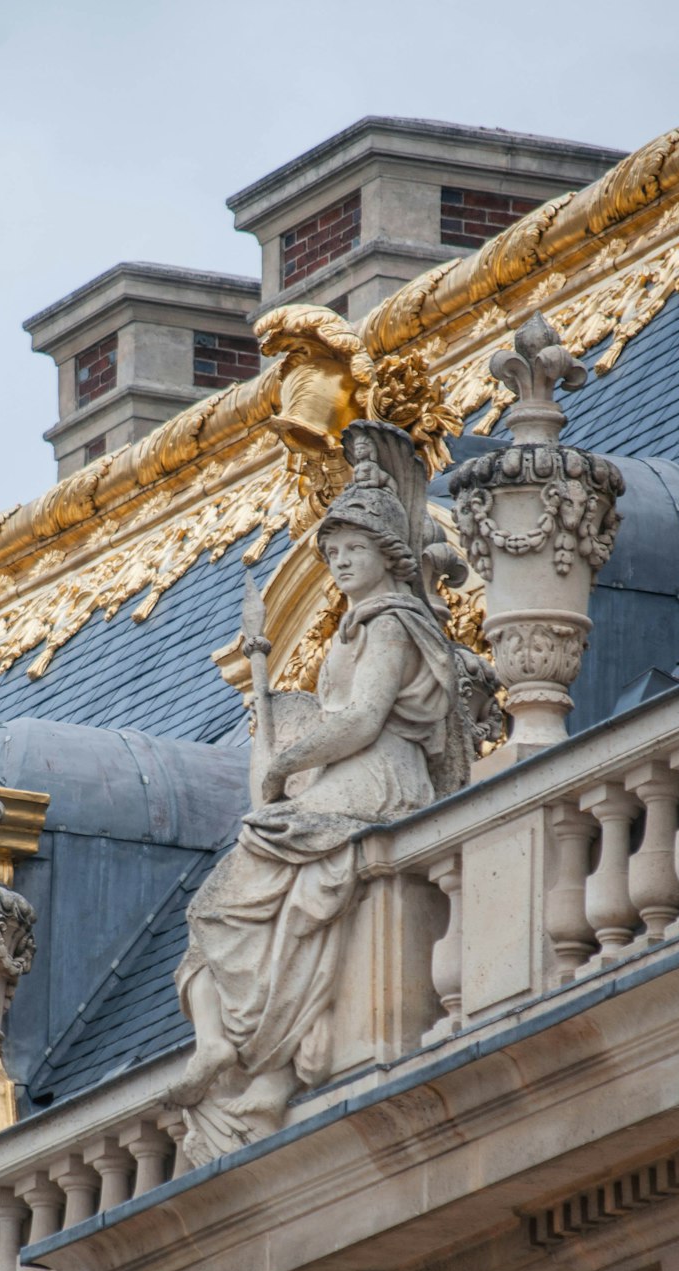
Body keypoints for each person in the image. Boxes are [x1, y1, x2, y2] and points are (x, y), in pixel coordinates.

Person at [170, 423, 459, 1165]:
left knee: (269, 869)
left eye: (351, 552)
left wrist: (282, 763)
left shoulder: (393, 622)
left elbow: (364, 720)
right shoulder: (352, 627)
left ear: (386, 554)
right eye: (331, 556)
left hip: (384, 773)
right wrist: (285, 735)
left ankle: (249, 1053)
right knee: (217, 909)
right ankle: (235, 1057)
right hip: (343, 774)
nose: (340, 565)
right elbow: (329, 717)